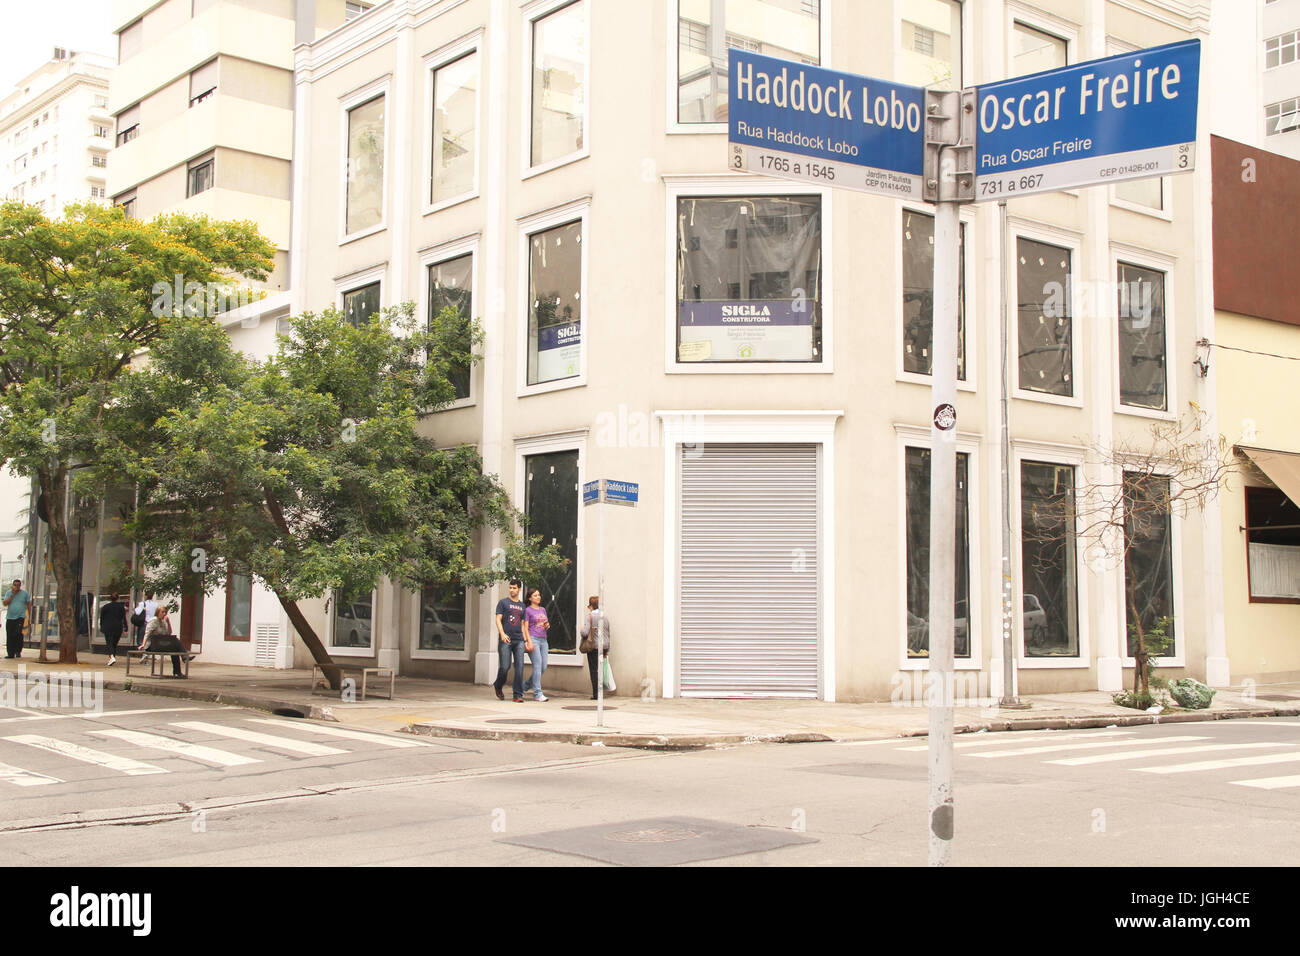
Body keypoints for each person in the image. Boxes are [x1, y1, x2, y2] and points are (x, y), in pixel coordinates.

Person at [491, 580, 527, 702]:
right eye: (510, 588)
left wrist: (525, 639)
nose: (512, 590)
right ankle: (498, 685)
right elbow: (498, 619)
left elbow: (522, 624)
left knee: (520, 667)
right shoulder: (503, 603)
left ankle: (517, 694)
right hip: (506, 639)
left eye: (514, 588)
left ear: (519, 589)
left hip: (519, 640)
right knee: (505, 667)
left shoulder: (522, 606)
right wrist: (502, 634)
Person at [521, 587, 550, 702]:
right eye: (535, 595)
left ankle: (524, 687)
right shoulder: (527, 610)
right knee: (537, 666)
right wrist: (528, 641)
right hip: (533, 639)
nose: (538, 597)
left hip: (543, 640)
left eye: (539, 595)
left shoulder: (542, 610)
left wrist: (547, 626)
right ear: (530, 598)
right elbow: (525, 627)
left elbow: (545, 624)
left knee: (543, 667)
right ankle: (537, 693)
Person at [580, 595, 611, 701]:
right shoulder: (605, 617)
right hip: (605, 645)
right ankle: (602, 691)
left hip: (594, 646)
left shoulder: (590, 617)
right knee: (601, 669)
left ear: (591, 606)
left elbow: (585, 633)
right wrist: (607, 650)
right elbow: (608, 633)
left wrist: (581, 629)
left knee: (594, 670)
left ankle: (596, 694)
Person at [143, 605, 185, 678]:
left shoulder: (163, 622)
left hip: (161, 644)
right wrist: (143, 644)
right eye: (162, 612)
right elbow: (147, 633)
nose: (164, 614)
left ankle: (177, 671)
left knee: (175, 647)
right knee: (175, 643)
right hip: (152, 645)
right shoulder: (153, 621)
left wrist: (168, 622)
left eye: (165, 612)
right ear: (157, 613)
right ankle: (184, 655)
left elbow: (169, 633)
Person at [3, 579, 30, 659]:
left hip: (20, 617)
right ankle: (10, 653)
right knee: (10, 635)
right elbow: (5, 603)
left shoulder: (24, 594)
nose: (16, 587)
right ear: (12, 585)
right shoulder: (9, 593)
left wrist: (29, 616)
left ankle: (18, 651)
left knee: (18, 634)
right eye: (15, 585)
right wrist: (12, 595)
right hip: (10, 617)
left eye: (18, 585)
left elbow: (28, 604)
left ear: (20, 586)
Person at [98, 592, 128, 666]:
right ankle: (112, 657)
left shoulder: (105, 607)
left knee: (109, 643)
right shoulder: (121, 607)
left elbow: (102, 618)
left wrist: (101, 626)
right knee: (114, 643)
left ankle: (111, 656)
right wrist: (125, 627)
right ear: (118, 598)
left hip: (108, 627)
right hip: (118, 627)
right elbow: (123, 618)